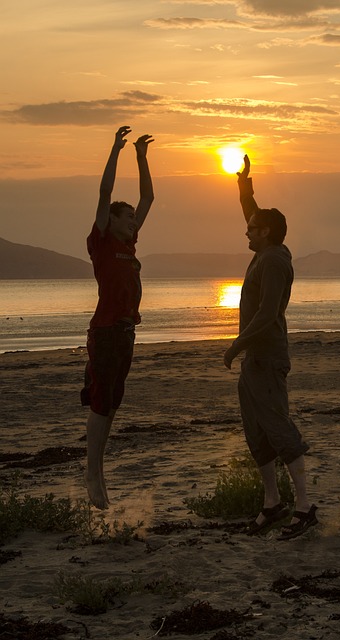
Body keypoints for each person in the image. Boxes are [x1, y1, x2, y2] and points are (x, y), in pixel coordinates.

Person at [223, 155, 317, 539]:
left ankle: (305, 506)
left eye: (251, 230)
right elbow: (252, 212)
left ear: (266, 233)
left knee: (279, 429)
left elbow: (267, 313)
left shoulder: (275, 261)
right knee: (256, 433)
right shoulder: (265, 250)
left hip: (267, 357)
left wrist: (235, 344)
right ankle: (272, 504)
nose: (245, 233)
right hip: (254, 360)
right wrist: (244, 185)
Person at [81, 126, 154, 509]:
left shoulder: (128, 244)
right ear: (112, 221)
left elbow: (149, 197)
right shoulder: (103, 241)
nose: (133, 222)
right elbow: (105, 193)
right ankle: (92, 473)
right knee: (99, 402)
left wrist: (142, 158)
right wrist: (115, 150)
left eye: (133, 219)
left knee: (112, 404)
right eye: (127, 218)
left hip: (126, 334)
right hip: (107, 332)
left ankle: (99, 469)